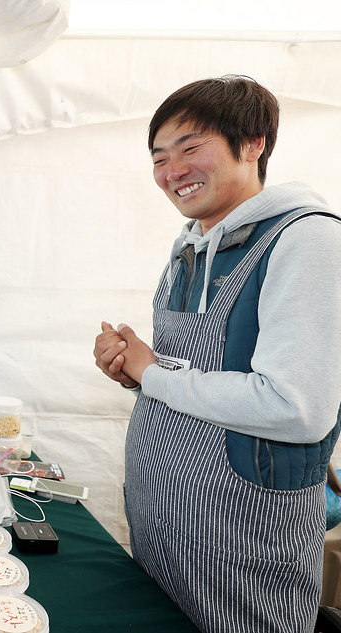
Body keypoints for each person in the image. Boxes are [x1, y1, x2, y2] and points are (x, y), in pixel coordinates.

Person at [93, 76, 341, 632]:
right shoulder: (190, 244)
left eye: (191, 147)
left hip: (243, 538)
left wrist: (152, 373)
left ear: (253, 144)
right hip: (166, 520)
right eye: (159, 157)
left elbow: (296, 406)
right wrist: (133, 368)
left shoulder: (307, 239)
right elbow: (199, 370)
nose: (172, 171)